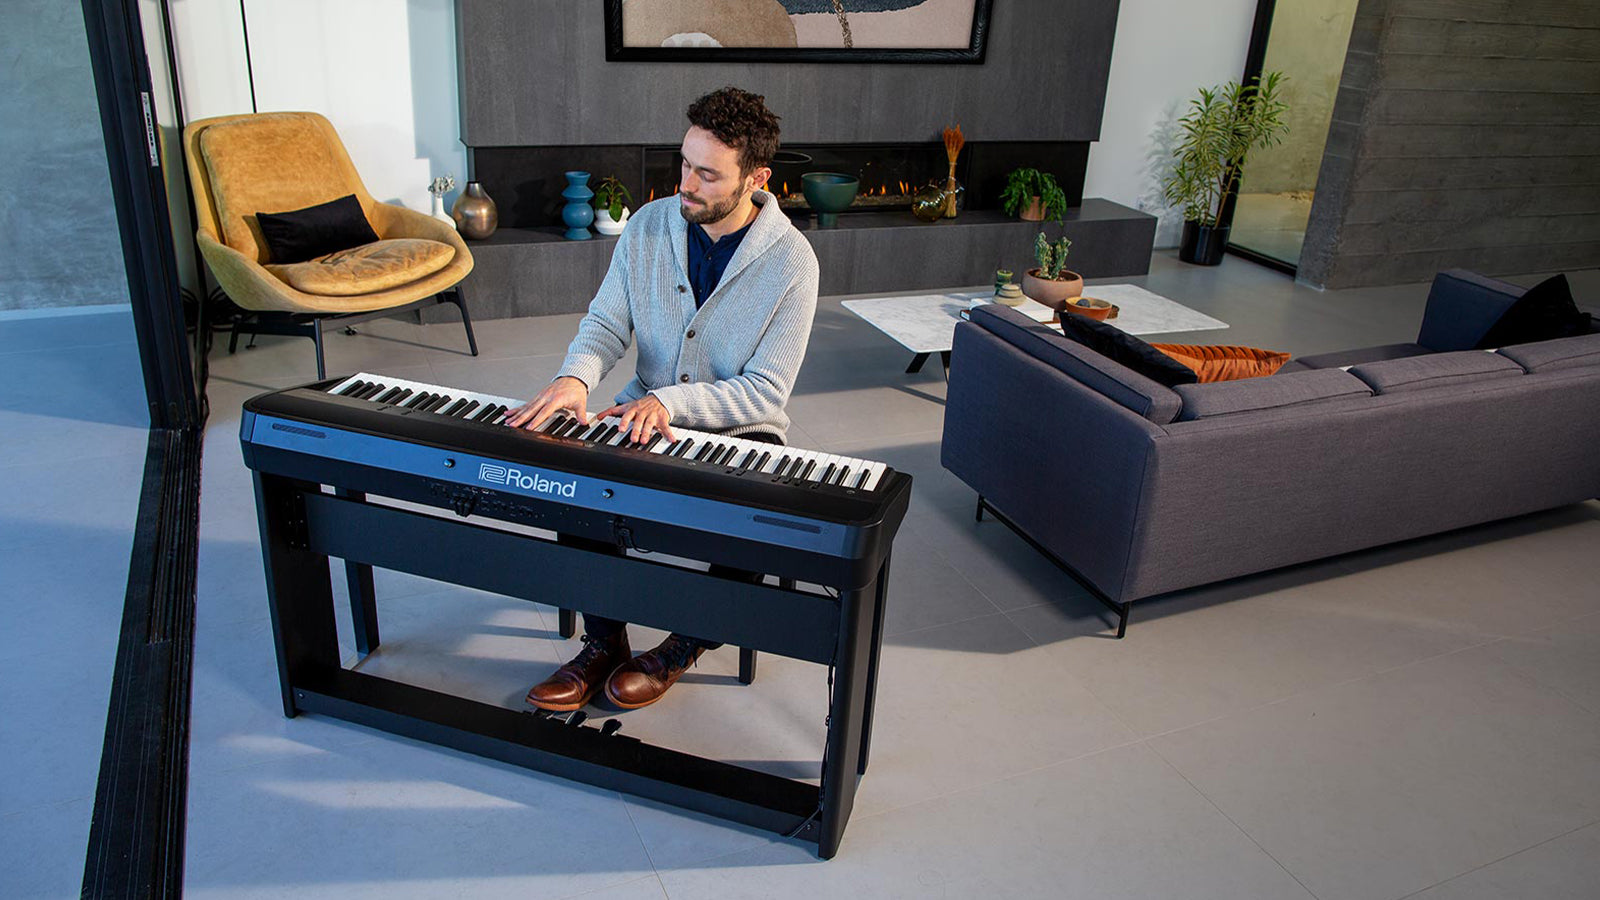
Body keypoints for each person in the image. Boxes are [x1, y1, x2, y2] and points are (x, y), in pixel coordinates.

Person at [507, 86, 820, 712]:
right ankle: (604, 642)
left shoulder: (793, 264)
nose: (688, 185)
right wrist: (576, 379)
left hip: (740, 426)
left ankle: (682, 646)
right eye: (684, 164)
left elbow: (766, 390)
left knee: (744, 513)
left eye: (708, 175)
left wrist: (675, 405)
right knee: (576, 475)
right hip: (641, 409)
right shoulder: (649, 226)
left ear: (757, 179)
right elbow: (606, 324)